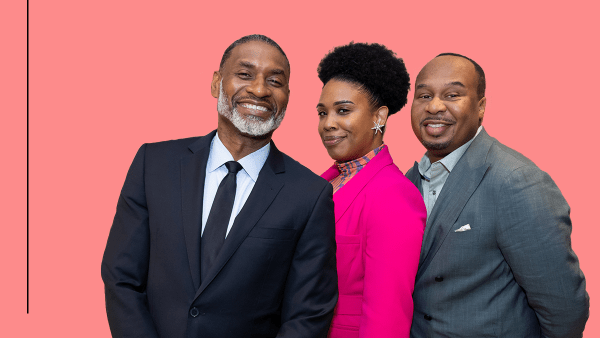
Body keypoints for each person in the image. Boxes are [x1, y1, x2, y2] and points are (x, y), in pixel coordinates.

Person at [101, 34, 338, 338]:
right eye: (244, 74)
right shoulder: (154, 165)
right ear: (216, 83)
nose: (259, 89)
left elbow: (309, 313)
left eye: (275, 82)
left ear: (287, 97)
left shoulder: (310, 194)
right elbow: (121, 278)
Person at [406, 53, 589, 337]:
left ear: (480, 107)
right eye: (424, 95)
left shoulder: (515, 180)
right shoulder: (410, 179)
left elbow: (564, 306)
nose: (435, 106)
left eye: (452, 94)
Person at [316, 42, 426, 337]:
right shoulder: (324, 182)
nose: (328, 124)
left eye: (343, 110)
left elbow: (387, 318)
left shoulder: (394, 196)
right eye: (322, 113)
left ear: (379, 117)